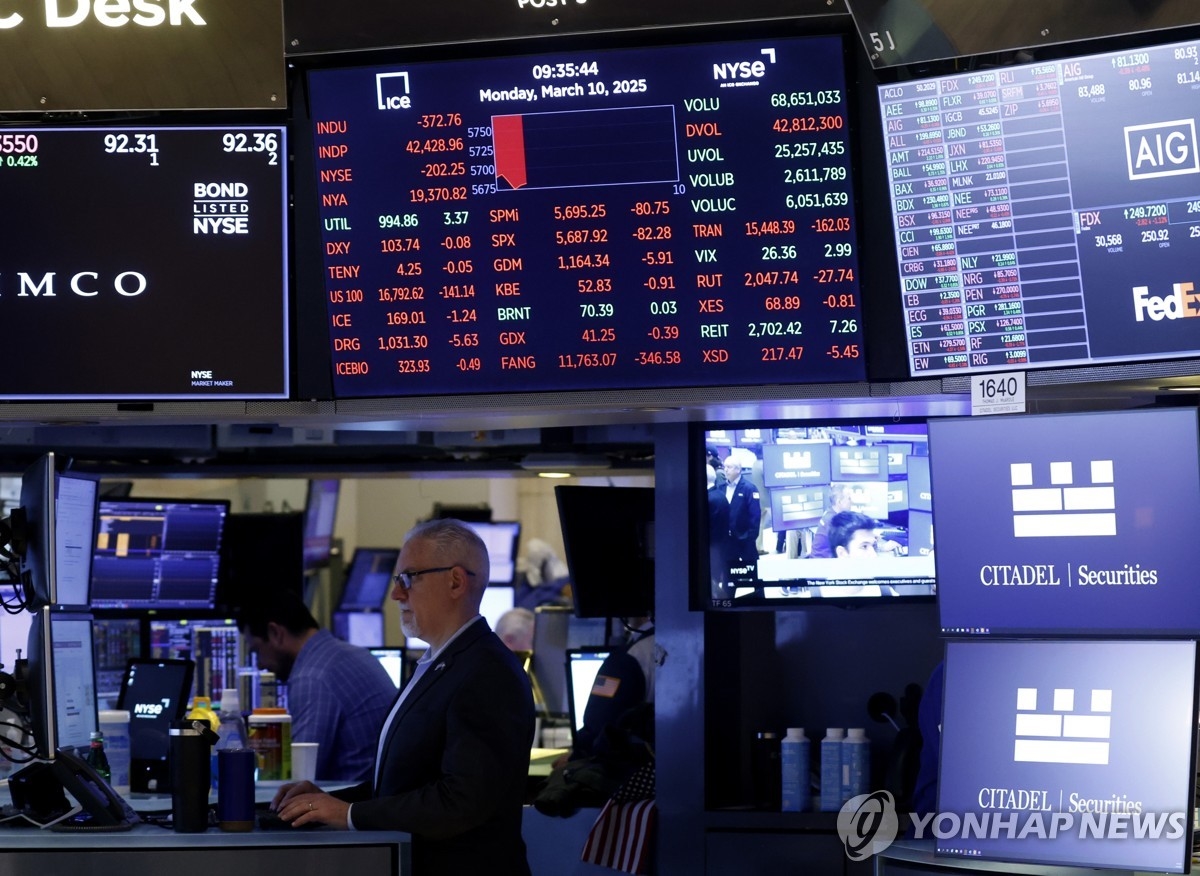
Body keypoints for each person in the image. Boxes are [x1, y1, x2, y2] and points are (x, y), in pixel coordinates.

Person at [271, 519, 536, 876]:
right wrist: (328, 801)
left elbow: (461, 801)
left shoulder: (488, 672)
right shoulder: (441, 663)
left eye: (408, 578)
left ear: (455, 581)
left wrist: (348, 814)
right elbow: (403, 786)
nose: (396, 594)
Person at [237, 590, 398, 783]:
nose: (260, 665)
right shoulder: (351, 653)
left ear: (275, 633)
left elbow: (300, 779)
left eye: (257, 650)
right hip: (378, 792)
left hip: (353, 798)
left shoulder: (312, 677)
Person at [721, 456, 761, 567]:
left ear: (738, 469)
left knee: (752, 570)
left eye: (729, 467)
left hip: (744, 539)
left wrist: (750, 537)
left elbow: (755, 515)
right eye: (725, 467)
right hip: (727, 540)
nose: (726, 470)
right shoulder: (721, 487)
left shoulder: (749, 488)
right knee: (730, 571)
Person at [808, 483, 854, 558]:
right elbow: (847, 544)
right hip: (823, 562)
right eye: (849, 498)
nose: (852, 501)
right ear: (839, 502)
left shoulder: (831, 512)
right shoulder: (833, 521)